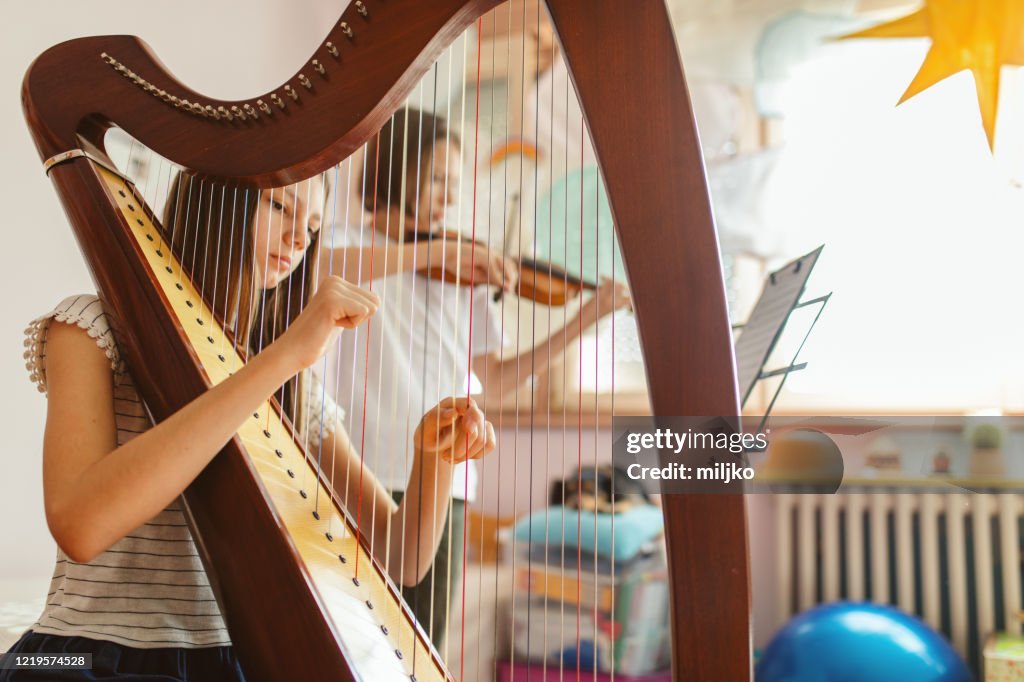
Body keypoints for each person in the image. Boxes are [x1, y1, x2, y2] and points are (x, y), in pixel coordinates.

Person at [1, 171, 495, 682]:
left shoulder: (290, 385)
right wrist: (281, 359)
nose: (299, 238)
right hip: (83, 654)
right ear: (216, 202)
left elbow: (401, 556)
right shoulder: (89, 326)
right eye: (281, 208)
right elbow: (80, 525)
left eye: (315, 224)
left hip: (230, 664)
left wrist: (435, 455)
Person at [321, 107, 631, 651]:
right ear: (399, 171)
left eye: (454, 183)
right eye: (438, 179)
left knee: (419, 648)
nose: (449, 195)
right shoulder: (345, 243)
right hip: (351, 471)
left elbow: (497, 381)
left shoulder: (466, 272)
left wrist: (586, 318)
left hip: (443, 481)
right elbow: (326, 267)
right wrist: (434, 250)